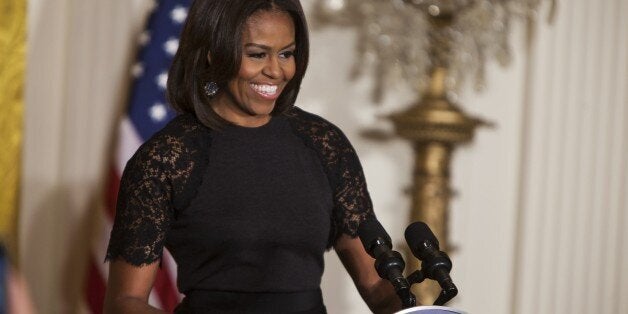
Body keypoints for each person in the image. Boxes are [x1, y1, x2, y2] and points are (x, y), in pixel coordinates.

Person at [104, 0, 401, 313]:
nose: (276, 70)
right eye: (257, 54)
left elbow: (378, 286)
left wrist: (418, 309)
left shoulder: (324, 144)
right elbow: (125, 302)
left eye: (286, 53)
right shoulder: (166, 159)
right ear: (214, 52)